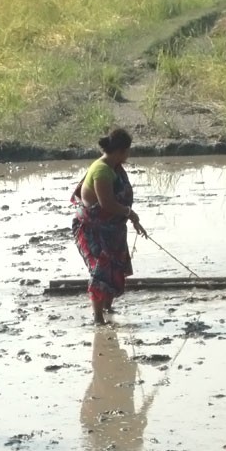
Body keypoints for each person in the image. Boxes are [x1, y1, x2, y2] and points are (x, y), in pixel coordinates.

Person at [72, 128, 147, 324]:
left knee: (116, 267)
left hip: (114, 228)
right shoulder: (102, 170)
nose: (128, 155)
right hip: (94, 228)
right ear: (121, 151)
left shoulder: (115, 167)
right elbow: (107, 204)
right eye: (128, 151)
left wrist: (133, 220)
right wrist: (130, 213)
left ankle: (108, 308)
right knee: (101, 269)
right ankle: (98, 317)